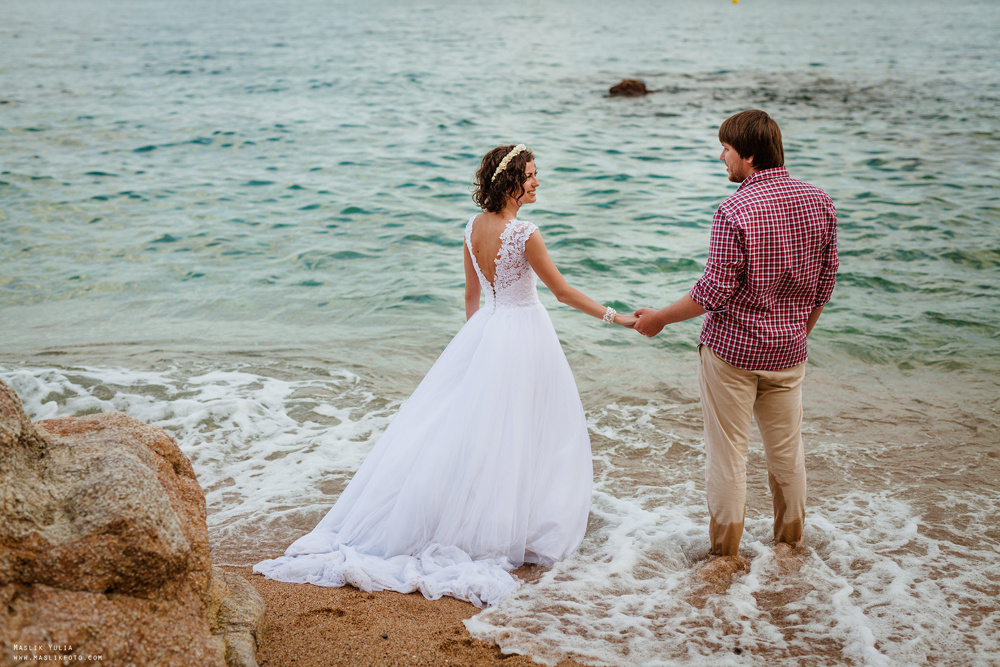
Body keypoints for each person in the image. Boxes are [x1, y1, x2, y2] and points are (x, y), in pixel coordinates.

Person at [254, 144, 636, 607]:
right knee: (526, 432)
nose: (537, 182)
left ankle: (477, 517)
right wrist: (620, 318)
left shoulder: (472, 227)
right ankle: (512, 528)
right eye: (531, 176)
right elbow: (562, 292)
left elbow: (472, 297)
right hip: (523, 335)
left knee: (482, 434)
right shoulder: (525, 234)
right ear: (509, 181)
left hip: (487, 332)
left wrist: (474, 348)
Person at [633, 110, 838, 559]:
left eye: (725, 148)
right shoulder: (820, 201)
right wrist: (795, 334)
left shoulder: (734, 209)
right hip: (790, 352)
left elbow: (713, 291)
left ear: (748, 155)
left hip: (732, 354)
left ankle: (725, 556)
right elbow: (825, 283)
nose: (721, 157)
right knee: (787, 454)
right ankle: (789, 547)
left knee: (728, 456)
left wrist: (660, 318)